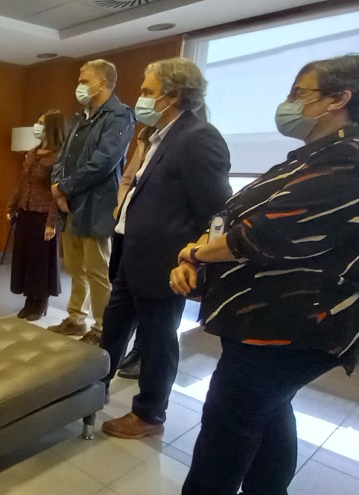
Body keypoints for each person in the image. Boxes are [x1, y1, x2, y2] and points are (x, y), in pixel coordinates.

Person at [171, 54, 359, 494]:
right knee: (269, 413)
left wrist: (195, 252)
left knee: (226, 431)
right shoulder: (315, 157)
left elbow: (261, 234)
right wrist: (198, 256)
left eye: (299, 92)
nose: (288, 102)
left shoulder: (357, 163)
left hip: (292, 325)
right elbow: (231, 216)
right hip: (263, 320)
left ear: (339, 99)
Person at [98, 57, 232, 439]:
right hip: (131, 256)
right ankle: (92, 389)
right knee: (113, 329)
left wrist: (195, 260)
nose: (139, 98)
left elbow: (218, 211)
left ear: (172, 96)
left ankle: (150, 414)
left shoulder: (198, 138)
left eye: (147, 91)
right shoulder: (158, 136)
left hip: (164, 264)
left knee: (157, 341)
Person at [48, 59, 136, 338]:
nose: (80, 86)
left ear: (103, 83)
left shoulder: (119, 116)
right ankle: (76, 318)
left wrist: (65, 187)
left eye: (84, 81)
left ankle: (102, 327)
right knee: (75, 267)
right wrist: (57, 187)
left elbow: (103, 162)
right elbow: (62, 157)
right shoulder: (79, 116)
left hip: (97, 204)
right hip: (70, 203)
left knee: (97, 270)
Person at [7, 110, 65, 321]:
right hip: (26, 212)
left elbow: (57, 193)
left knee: (40, 261)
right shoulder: (32, 153)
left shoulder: (59, 157)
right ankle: (29, 299)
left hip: (43, 215)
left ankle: (40, 300)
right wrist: (11, 206)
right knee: (25, 257)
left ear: (52, 127)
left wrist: (52, 222)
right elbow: (23, 183)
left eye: (41, 122)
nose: (37, 126)